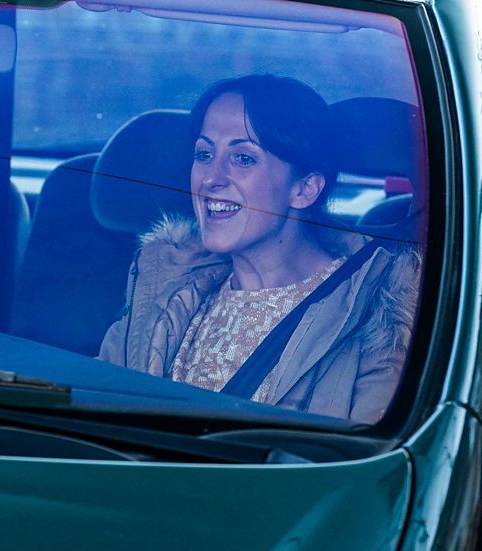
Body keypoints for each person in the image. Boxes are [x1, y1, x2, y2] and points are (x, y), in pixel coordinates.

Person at [99, 74, 421, 423]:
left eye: (243, 158)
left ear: (304, 190)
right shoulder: (159, 288)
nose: (211, 178)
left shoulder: (379, 322)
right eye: (204, 154)